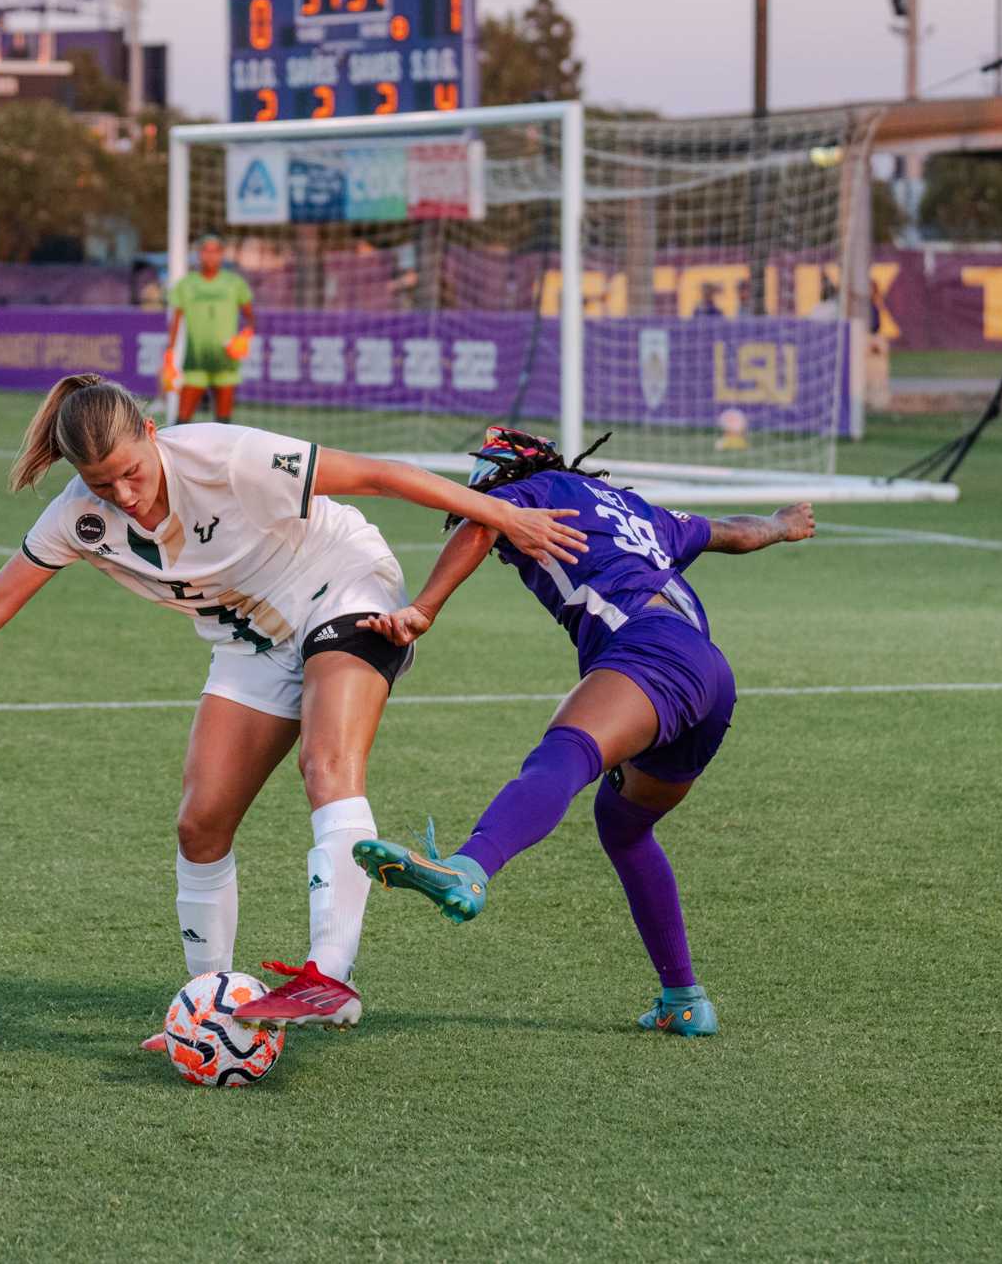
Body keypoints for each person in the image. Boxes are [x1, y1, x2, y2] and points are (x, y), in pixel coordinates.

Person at [0, 380, 587, 1038]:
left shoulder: (226, 456)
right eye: (102, 485)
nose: (125, 496)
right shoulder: (79, 516)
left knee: (326, 762)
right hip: (252, 642)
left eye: (131, 473)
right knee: (200, 822)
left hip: (343, 586)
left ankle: (328, 978)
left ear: (149, 428)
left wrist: (500, 514)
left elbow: (376, 474)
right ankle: (207, 1002)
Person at [350, 427, 816, 1037]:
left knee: (562, 755)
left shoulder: (532, 494)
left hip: (650, 654)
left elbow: (483, 524)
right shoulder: (640, 513)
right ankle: (683, 998)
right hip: (710, 675)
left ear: (504, 481)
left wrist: (426, 607)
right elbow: (732, 533)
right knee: (623, 826)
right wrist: (781, 524)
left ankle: (471, 866)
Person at [161, 235, 254, 425]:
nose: (210, 256)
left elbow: (250, 317)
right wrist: (169, 355)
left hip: (226, 362)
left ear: (221, 255)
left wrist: (245, 336)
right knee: (181, 423)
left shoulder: (234, 283)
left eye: (215, 251)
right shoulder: (185, 285)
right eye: (206, 251)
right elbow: (175, 322)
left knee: (224, 425)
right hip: (195, 361)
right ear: (198, 255)